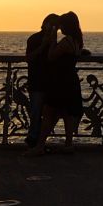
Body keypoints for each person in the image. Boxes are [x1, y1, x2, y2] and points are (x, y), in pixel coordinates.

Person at [25, 11, 84, 156]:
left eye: (61, 25)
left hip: (61, 82)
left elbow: (51, 56)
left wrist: (50, 43)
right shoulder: (77, 41)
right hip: (70, 80)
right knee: (66, 113)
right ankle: (68, 144)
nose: (59, 28)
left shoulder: (65, 41)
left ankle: (39, 146)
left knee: (48, 113)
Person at [24, 13, 59, 148]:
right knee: (36, 112)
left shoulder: (54, 41)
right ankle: (33, 139)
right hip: (37, 82)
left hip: (50, 82)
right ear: (45, 24)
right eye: (53, 25)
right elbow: (29, 58)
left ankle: (40, 141)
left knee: (52, 112)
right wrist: (44, 46)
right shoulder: (34, 39)